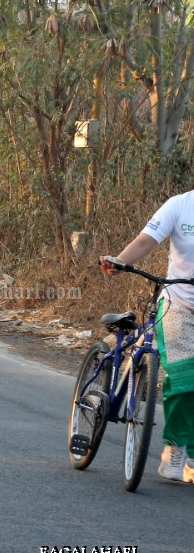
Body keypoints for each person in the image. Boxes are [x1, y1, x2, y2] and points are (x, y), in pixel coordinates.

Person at [101, 191, 194, 483]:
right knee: (184, 378)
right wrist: (119, 260)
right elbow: (146, 240)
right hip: (180, 304)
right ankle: (175, 449)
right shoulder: (180, 205)